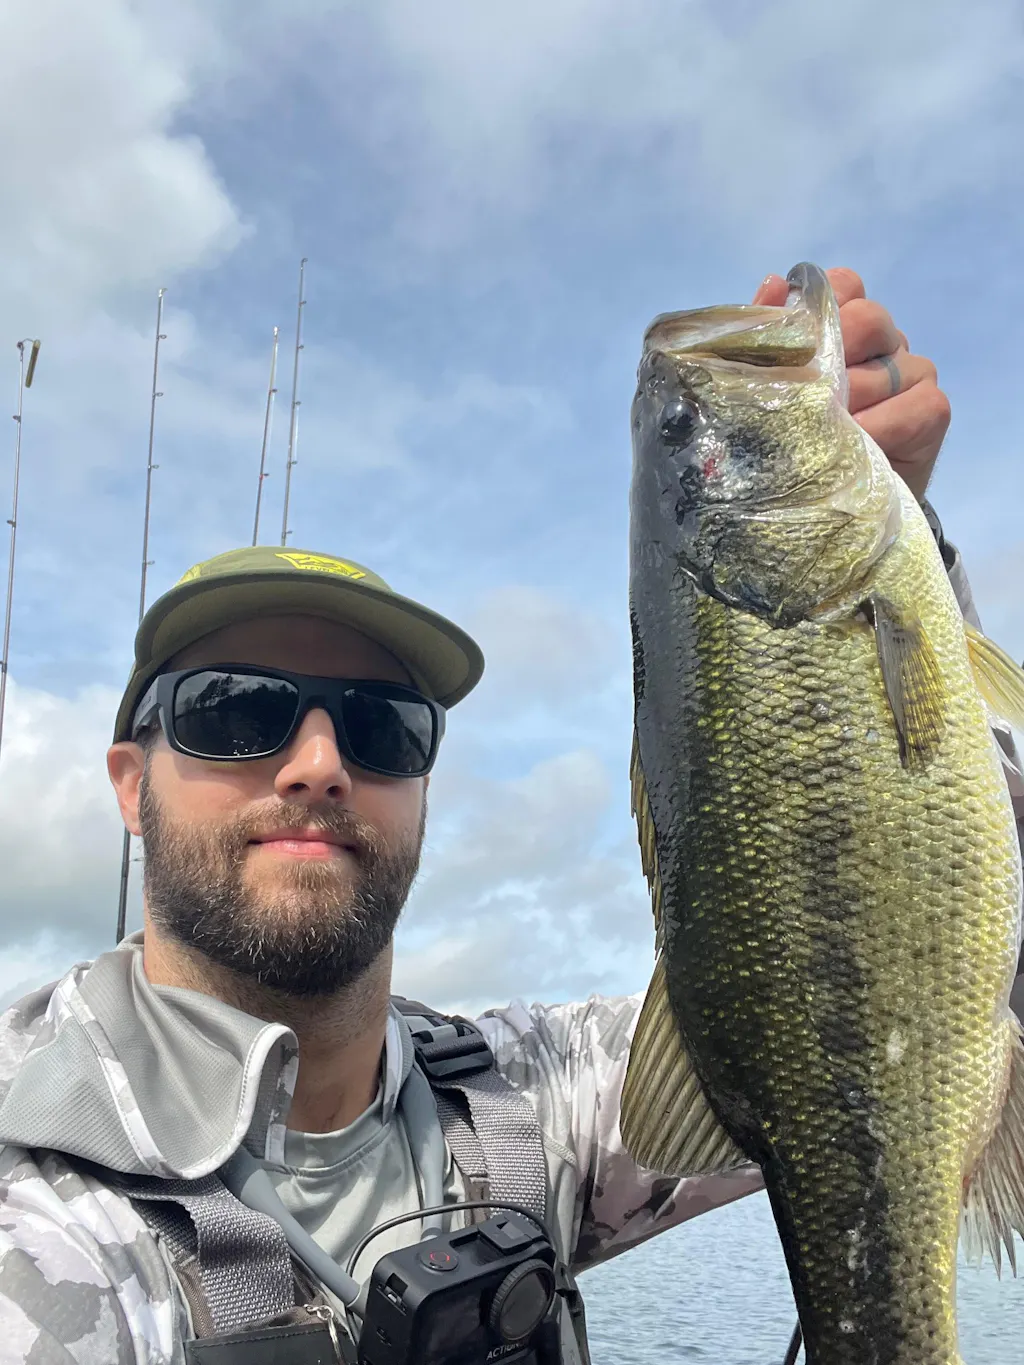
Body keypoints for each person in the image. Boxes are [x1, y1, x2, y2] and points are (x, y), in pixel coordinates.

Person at [0, 269, 1020, 1365]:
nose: (318, 765)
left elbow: (902, 965)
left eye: (383, 724)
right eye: (234, 710)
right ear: (129, 782)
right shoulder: (37, 1217)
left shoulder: (515, 1100)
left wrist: (905, 549)